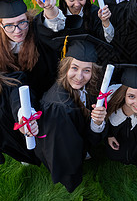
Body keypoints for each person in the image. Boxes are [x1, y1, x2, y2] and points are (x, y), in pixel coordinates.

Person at [34, 34, 111, 193]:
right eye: (74, 68)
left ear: (93, 72)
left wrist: (97, 123)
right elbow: (63, 150)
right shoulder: (59, 107)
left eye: (86, 70)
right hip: (64, 147)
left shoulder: (88, 87)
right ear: (65, 67)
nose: (79, 77)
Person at [0, 0, 64, 99]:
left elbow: (54, 24)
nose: (17, 31)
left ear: (28, 18)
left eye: (22, 22)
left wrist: (50, 8)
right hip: (15, 96)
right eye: (9, 25)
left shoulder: (37, 29)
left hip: (48, 90)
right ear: (0, 24)